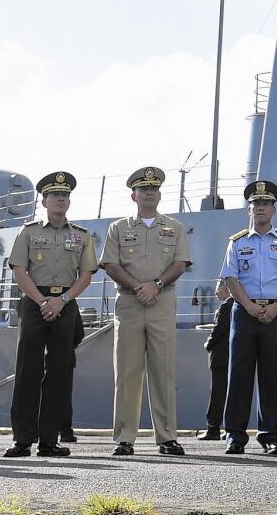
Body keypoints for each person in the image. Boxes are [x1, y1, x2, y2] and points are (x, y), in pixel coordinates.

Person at [99, 166, 191, 457]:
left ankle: (166, 438)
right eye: (144, 189)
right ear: (133, 195)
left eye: (153, 189)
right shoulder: (118, 227)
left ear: (159, 194)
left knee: (163, 370)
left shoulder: (174, 227)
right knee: (127, 372)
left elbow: (181, 263)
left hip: (162, 301)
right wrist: (140, 287)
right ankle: (124, 438)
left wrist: (157, 284)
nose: (149, 192)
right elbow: (111, 264)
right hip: (129, 303)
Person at [4, 172, 96, 458]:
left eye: (65, 195)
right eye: (55, 195)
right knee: (27, 371)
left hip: (65, 303)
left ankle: (49, 441)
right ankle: (22, 440)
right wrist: (43, 300)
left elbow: (87, 274)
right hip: (34, 301)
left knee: (59, 372)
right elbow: (20, 270)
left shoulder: (81, 235)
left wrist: (62, 300)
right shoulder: (29, 232)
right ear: (44, 201)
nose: (60, 199)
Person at [221, 180, 277, 454]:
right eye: (256, 204)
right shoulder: (237, 242)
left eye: (265, 204)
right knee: (239, 375)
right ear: (249, 210)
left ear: (274, 210)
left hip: (274, 313)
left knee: (270, 376)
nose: (260, 208)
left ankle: (269, 436)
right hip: (244, 312)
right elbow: (230, 277)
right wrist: (248, 305)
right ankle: (235, 435)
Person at [196, 279, 233, 441]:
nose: (217, 292)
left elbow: (218, 331)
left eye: (219, 288)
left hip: (221, 358)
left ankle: (213, 428)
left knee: (217, 394)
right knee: (230, 393)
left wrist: (207, 343)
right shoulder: (237, 306)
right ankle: (230, 427)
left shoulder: (226, 307)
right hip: (232, 358)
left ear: (227, 288)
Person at [60, 316, 85, 443]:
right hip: (65, 357)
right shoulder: (68, 305)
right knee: (63, 395)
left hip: (40, 359)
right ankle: (65, 431)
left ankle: (34, 432)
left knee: (37, 393)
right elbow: (79, 333)